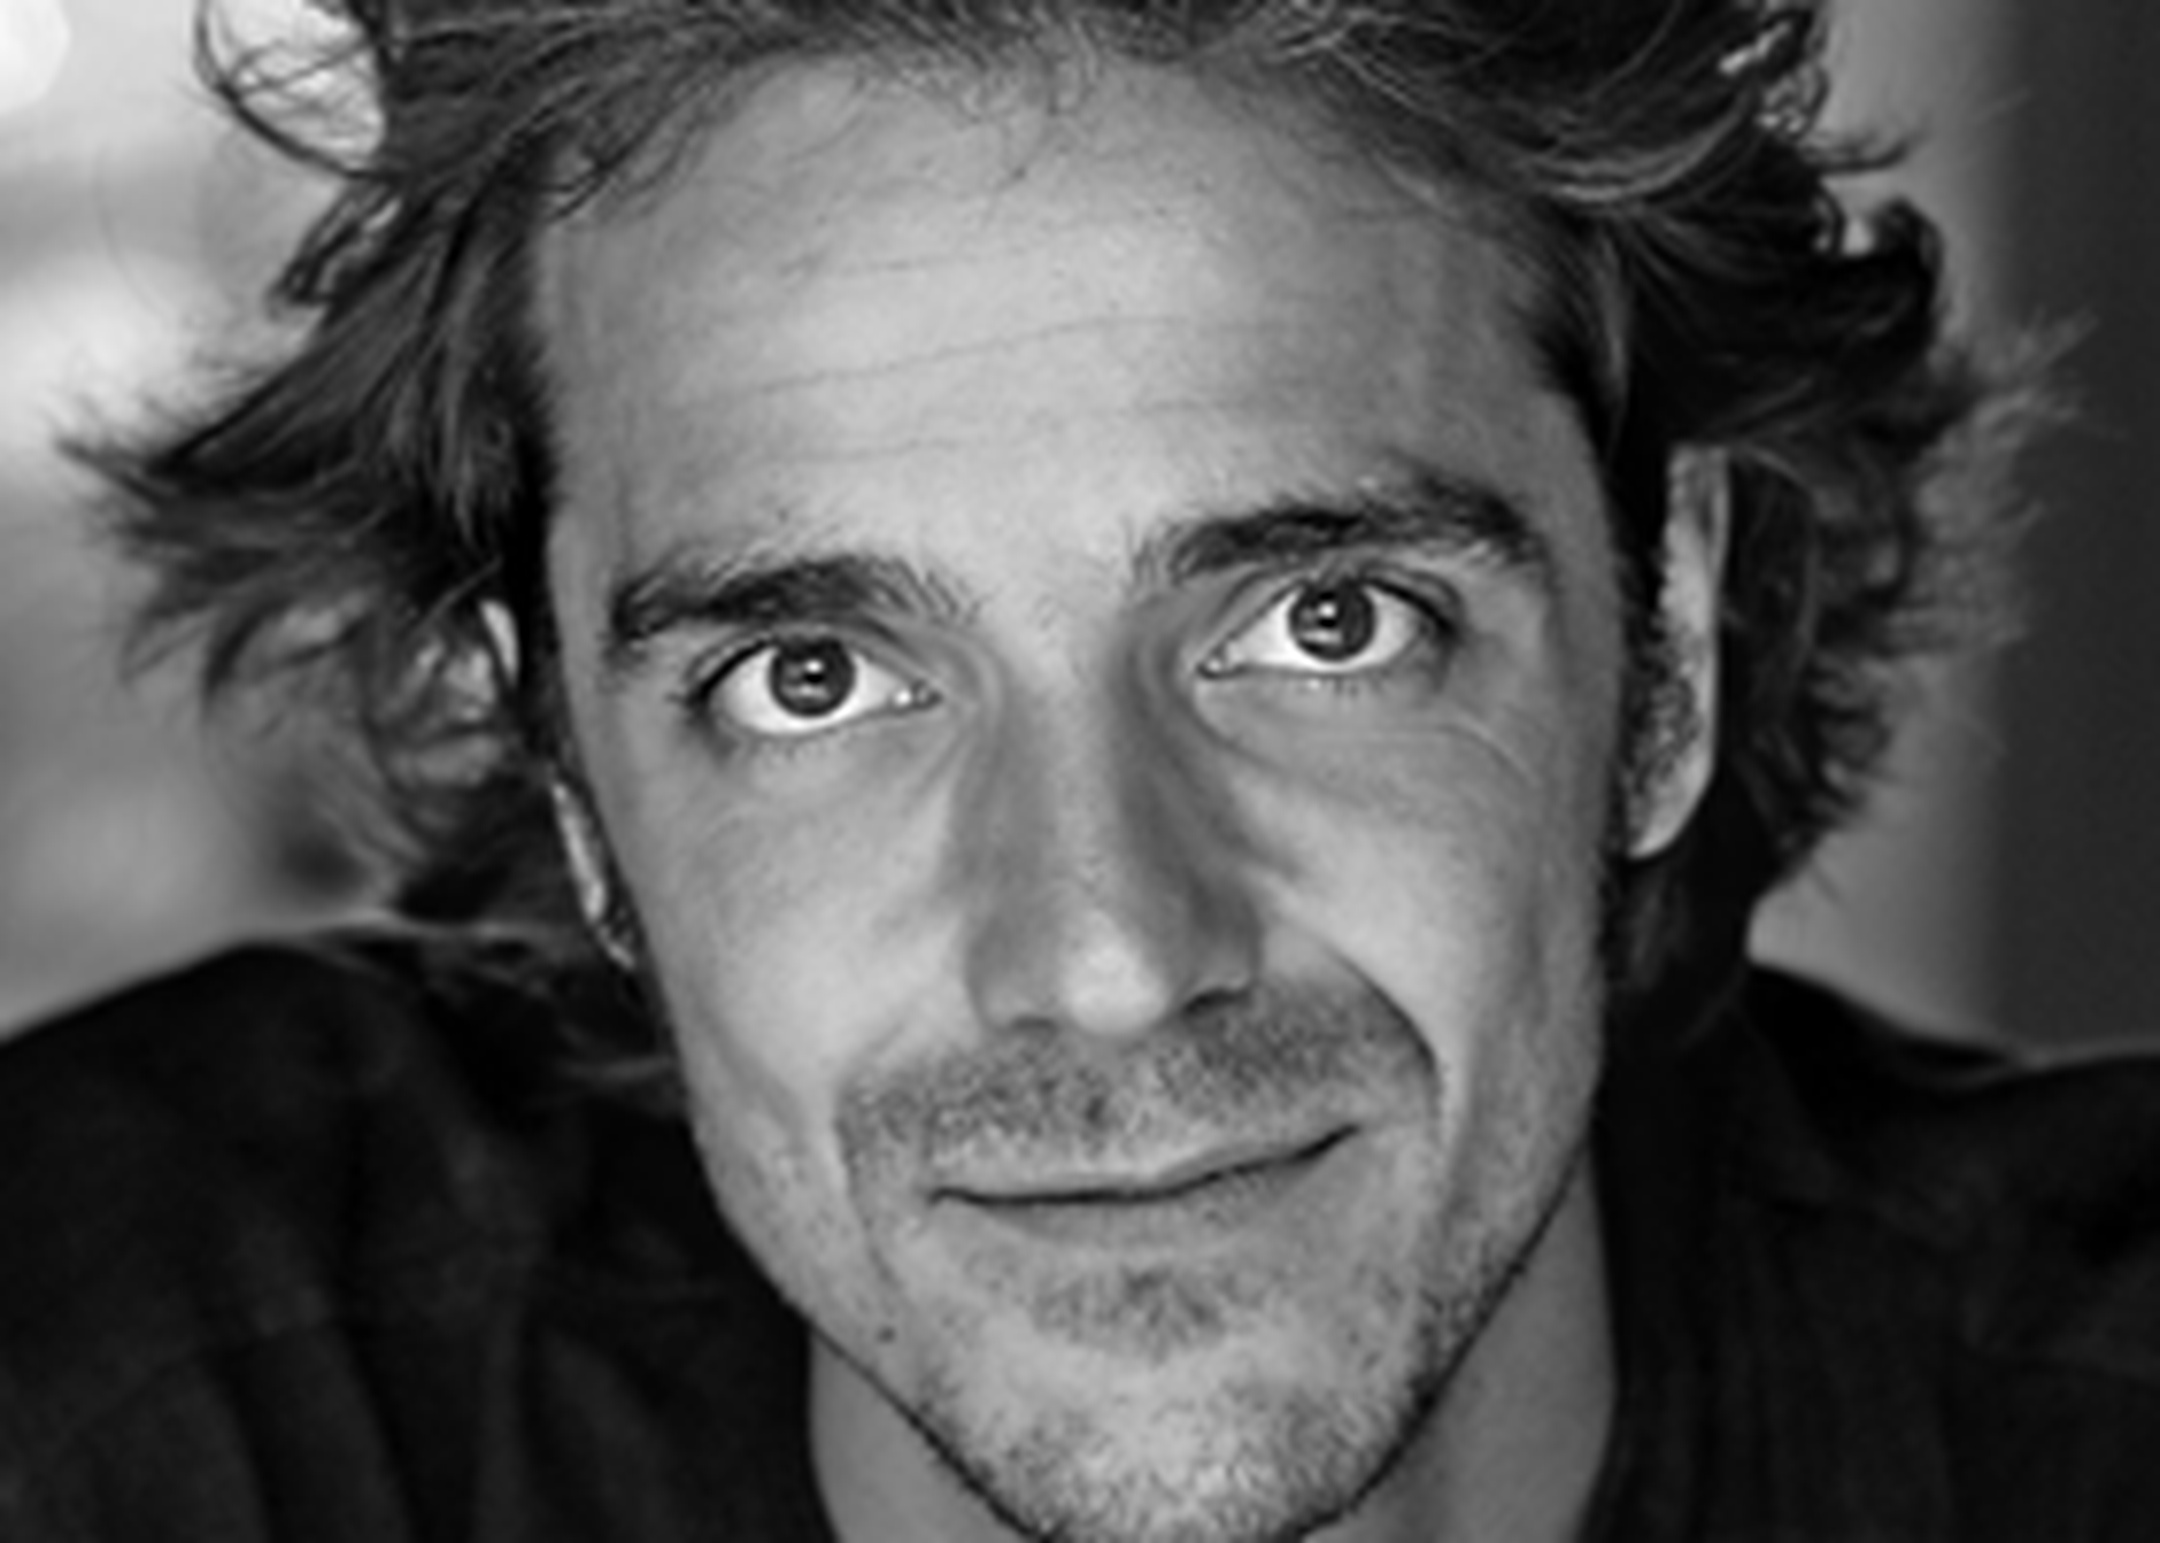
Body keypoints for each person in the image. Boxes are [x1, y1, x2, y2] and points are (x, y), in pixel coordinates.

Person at [5, 0, 2158, 1539]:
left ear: (1664, 647)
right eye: (811, 678)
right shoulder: (120, 1402)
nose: (1111, 957)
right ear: (569, 770)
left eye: (1327, 624)